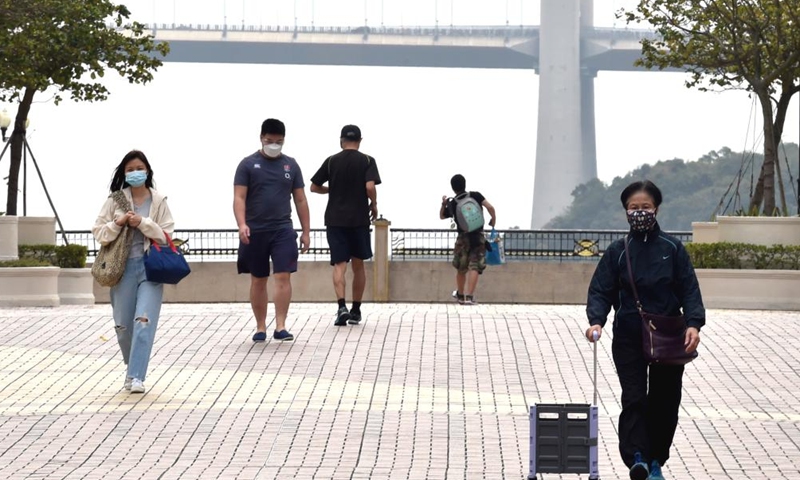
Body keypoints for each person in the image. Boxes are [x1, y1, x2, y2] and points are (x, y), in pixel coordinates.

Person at [585, 180, 704, 480]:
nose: (640, 213)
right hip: (628, 335)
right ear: (626, 211)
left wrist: (693, 324)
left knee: (665, 400)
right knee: (634, 396)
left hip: (667, 335)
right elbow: (601, 290)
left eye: (645, 207)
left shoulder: (673, 248)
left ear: (656, 209)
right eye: (634, 208)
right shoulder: (617, 251)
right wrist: (596, 321)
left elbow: (689, 288)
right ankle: (637, 457)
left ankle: (655, 462)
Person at [92, 150, 175, 394]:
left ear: (147, 171)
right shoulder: (115, 200)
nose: (135, 173)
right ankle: (132, 366)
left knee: (143, 321)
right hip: (122, 269)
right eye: (129, 169)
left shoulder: (159, 201)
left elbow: (166, 235)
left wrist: (143, 222)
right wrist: (118, 223)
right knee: (123, 326)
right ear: (124, 173)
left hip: (151, 268)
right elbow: (98, 232)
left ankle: (136, 376)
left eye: (139, 168)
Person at [234, 118, 310, 342]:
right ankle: (260, 327)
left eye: (278, 141)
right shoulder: (247, 165)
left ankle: (281, 325)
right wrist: (242, 224)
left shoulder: (291, 165)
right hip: (255, 230)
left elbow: (300, 200)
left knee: (283, 275)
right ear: (261, 138)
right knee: (258, 279)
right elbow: (239, 197)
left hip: (282, 229)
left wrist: (306, 231)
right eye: (269, 141)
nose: (274, 145)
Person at [310, 124, 381, 326]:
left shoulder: (332, 161)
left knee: (339, 264)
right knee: (358, 266)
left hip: (335, 219)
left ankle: (341, 307)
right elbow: (370, 186)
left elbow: (314, 187)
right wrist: (373, 204)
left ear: (341, 140)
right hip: (359, 219)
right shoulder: (367, 160)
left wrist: (330, 190)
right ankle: (356, 310)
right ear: (360, 141)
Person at [439, 174, 496, 305]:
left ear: (453, 188)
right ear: (465, 184)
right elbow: (490, 207)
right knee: (475, 266)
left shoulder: (453, 203)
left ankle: (460, 295)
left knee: (461, 267)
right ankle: (470, 297)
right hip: (478, 236)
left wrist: (443, 204)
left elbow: (442, 216)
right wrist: (493, 220)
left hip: (463, 238)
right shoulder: (476, 195)